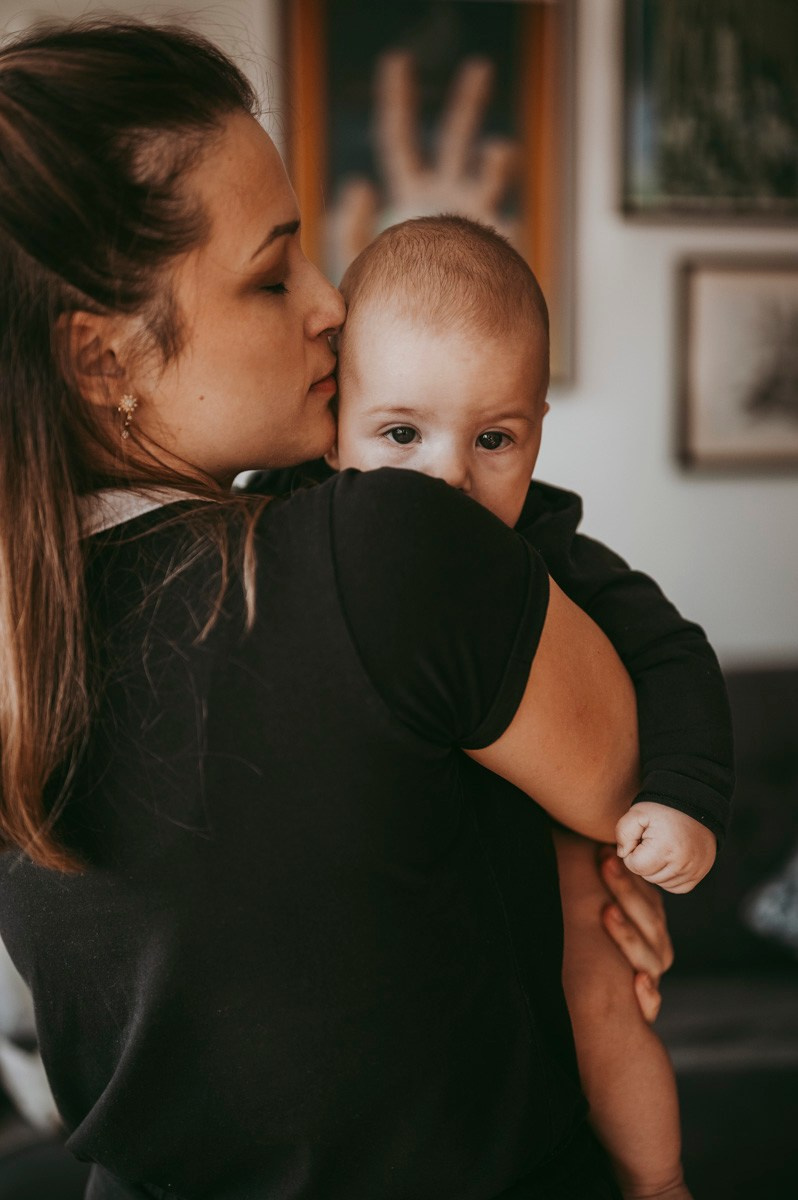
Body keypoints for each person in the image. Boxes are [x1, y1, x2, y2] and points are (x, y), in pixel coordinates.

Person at [0, 19, 672, 1200]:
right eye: (272, 275)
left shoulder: (14, 647)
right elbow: (618, 768)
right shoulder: (392, 545)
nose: (331, 304)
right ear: (101, 359)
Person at [251, 215, 733, 1199]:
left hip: (542, 883)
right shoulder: (276, 528)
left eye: (493, 439)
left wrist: (682, 797)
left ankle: (660, 1183)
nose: (448, 480)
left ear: (538, 430)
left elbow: (673, 653)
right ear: (335, 416)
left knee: (603, 988)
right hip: (398, 939)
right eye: (401, 435)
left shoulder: (550, 555)